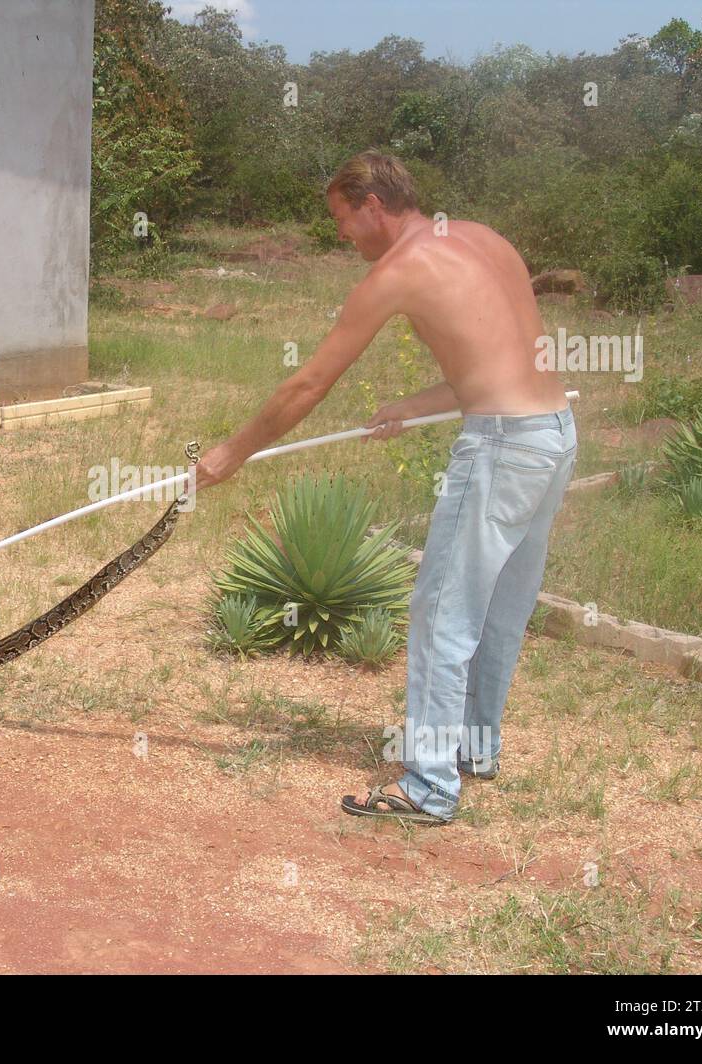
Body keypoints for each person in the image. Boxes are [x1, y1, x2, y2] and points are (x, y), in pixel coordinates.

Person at [192, 150, 577, 825]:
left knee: (441, 610)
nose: (342, 235)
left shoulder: (397, 272)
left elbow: (309, 383)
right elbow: (503, 364)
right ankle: (473, 749)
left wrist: (233, 452)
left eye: (342, 219)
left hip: (501, 450)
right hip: (553, 434)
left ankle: (428, 786)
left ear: (373, 206)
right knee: (498, 610)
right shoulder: (483, 238)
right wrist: (411, 405)